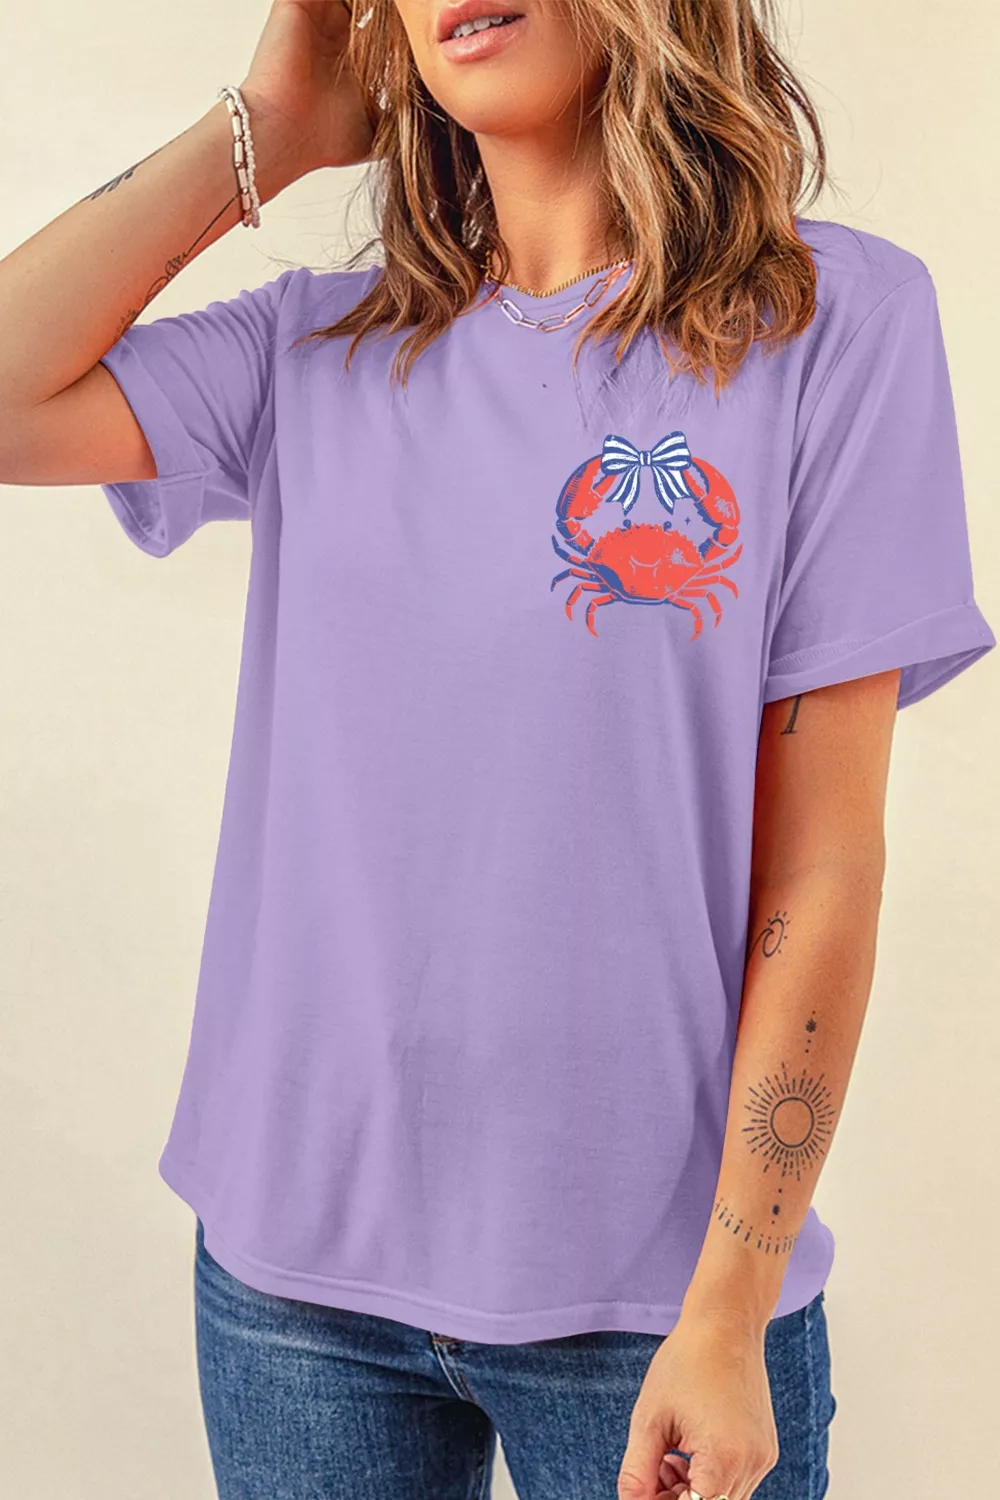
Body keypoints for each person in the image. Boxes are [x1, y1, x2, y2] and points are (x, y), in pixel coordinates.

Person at [0, 0, 994, 1496]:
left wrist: (731, 1308)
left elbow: (822, 868)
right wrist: (264, 134)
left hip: (662, 1302)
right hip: (294, 1290)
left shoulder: (830, 324)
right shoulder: (316, 345)